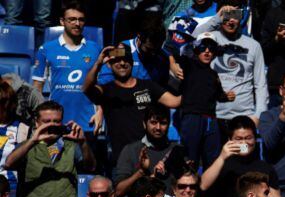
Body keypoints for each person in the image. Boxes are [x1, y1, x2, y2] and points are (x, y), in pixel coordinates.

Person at [83, 44, 181, 165]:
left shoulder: (148, 86)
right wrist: (98, 63)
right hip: (121, 159)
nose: (122, 63)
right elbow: (86, 89)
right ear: (109, 64)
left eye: (126, 59)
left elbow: (175, 102)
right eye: (117, 60)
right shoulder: (106, 90)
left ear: (132, 62)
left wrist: (194, 82)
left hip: (149, 156)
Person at [201, 116, 285, 197]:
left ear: (255, 139)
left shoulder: (265, 167)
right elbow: (203, 185)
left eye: (248, 138)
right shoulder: (221, 164)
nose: (244, 143)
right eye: (238, 139)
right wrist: (222, 157)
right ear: (229, 139)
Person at [32, 1, 102, 140]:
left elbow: (101, 85)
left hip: (88, 122)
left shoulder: (95, 49)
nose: (77, 23)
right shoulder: (46, 49)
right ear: (62, 21)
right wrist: (41, 120)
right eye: (72, 19)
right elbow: (37, 89)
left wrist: (100, 111)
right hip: (57, 124)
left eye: (81, 19)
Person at [200, 2, 269, 136]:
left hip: (244, 118)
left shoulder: (254, 46)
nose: (231, 21)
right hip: (213, 116)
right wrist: (216, 18)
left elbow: (260, 84)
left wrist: (258, 116)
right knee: (214, 156)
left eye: (235, 15)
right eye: (227, 15)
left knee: (241, 155)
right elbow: (191, 38)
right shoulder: (209, 40)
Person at [175, 32, 236, 169]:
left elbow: (219, 95)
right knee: (190, 161)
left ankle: (210, 190)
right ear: (196, 49)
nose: (207, 51)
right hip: (192, 117)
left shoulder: (214, 74)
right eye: (203, 47)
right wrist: (174, 65)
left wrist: (227, 97)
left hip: (211, 120)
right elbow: (173, 51)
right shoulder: (188, 64)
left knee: (213, 161)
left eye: (211, 48)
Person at [114, 104, 188, 197]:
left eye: (163, 123)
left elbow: (189, 185)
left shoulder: (177, 150)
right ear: (144, 124)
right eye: (153, 122)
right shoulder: (130, 150)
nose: (158, 127)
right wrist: (141, 172)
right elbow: (119, 191)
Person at [99, 14, 171, 88]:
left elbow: (163, 87)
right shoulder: (120, 50)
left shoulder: (163, 57)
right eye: (149, 49)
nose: (153, 53)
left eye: (157, 49)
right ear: (139, 38)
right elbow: (104, 83)